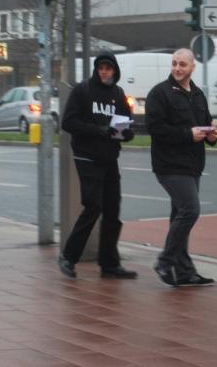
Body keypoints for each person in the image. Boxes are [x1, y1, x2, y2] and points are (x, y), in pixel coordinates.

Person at [57, 52, 138, 279]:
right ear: (96, 69)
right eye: (101, 68)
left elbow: (125, 124)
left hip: (110, 158)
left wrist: (126, 134)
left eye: (108, 68)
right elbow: (68, 122)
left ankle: (109, 263)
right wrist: (100, 131)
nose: (104, 71)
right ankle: (68, 257)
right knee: (93, 206)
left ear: (114, 71)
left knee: (113, 210)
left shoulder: (119, 94)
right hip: (87, 157)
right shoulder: (83, 91)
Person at [145, 48, 217, 287]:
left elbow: (206, 124)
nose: (177, 68)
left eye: (182, 64)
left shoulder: (198, 94)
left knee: (180, 214)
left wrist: (211, 135)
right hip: (169, 165)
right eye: (175, 63)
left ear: (192, 67)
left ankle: (184, 271)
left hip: (193, 164)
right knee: (190, 210)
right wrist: (188, 134)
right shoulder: (159, 93)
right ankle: (165, 261)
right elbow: (155, 129)